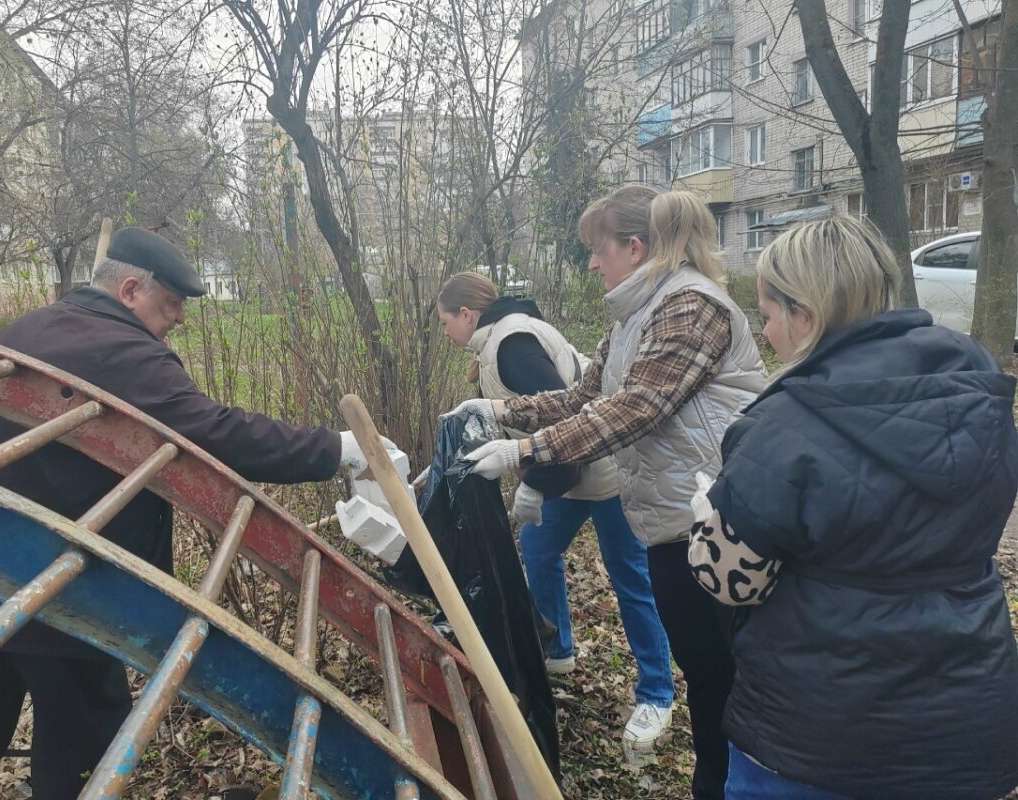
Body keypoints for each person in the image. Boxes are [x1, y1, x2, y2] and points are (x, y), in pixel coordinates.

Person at [0, 227, 389, 800]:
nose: (179, 320)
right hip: (66, 587)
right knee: (81, 753)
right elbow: (214, 434)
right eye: (171, 305)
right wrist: (336, 449)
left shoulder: (24, 330)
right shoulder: (120, 350)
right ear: (131, 290)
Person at [446, 187, 766, 799]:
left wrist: (524, 453)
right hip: (674, 520)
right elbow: (583, 399)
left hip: (719, 521)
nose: (592, 263)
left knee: (725, 678)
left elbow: (636, 409)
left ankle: (724, 785)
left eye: (598, 250)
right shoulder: (633, 317)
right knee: (705, 671)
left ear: (634, 247)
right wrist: (497, 409)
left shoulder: (691, 307)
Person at [688, 217, 1018, 799]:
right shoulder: (977, 386)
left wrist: (705, 516)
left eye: (766, 315)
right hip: (963, 722)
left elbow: (731, 581)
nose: (765, 334)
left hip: (819, 737)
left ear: (805, 316)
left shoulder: (785, 423)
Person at [435, 271, 675, 758]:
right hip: (569, 474)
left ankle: (657, 694)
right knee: (538, 551)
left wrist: (536, 487)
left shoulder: (511, 345)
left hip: (598, 474)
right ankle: (558, 649)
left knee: (630, 579)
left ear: (467, 314)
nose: (443, 333)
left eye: (444, 322)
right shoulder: (500, 339)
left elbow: (569, 421)